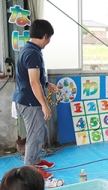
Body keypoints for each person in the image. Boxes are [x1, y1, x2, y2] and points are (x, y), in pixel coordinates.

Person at [12, 19, 56, 179]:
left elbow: (31, 76)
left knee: (40, 131)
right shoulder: (32, 53)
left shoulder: (29, 49)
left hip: (26, 98)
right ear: (45, 36)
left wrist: (46, 83)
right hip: (30, 102)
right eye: (49, 38)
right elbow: (32, 81)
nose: (49, 41)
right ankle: (30, 170)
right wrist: (44, 105)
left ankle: (36, 160)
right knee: (35, 134)